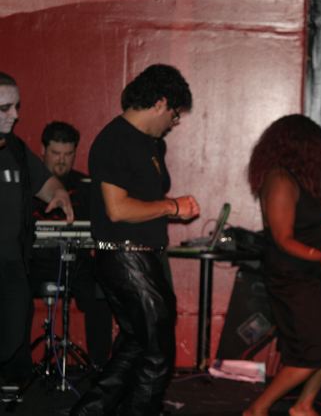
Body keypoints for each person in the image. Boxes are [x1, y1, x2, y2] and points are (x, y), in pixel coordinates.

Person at [70, 64, 200, 416]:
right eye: (174, 114)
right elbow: (117, 209)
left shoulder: (150, 143)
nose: (174, 122)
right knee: (157, 352)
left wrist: (168, 208)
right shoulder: (116, 140)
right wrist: (172, 206)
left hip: (138, 257)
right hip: (126, 257)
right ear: (160, 103)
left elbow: (138, 202)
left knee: (136, 346)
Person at [244, 114, 321, 416]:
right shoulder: (280, 180)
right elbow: (283, 239)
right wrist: (319, 256)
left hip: (312, 272)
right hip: (292, 277)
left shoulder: (299, 180)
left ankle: (303, 405)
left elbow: (304, 230)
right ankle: (257, 409)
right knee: (312, 351)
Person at [0, 72, 74, 386]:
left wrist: (58, 193)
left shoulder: (15, 149)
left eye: (16, 106)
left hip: (12, 263)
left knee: (12, 333)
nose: (15, 115)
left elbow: (46, 183)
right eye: (5, 108)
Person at [30, 121, 113, 367]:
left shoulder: (85, 186)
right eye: (56, 153)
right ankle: (16, 367)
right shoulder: (28, 184)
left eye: (68, 154)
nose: (61, 160)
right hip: (35, 263)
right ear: (42, 150)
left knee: (101, 290)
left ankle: (99, 366)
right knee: (13, 289)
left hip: (77, 264)